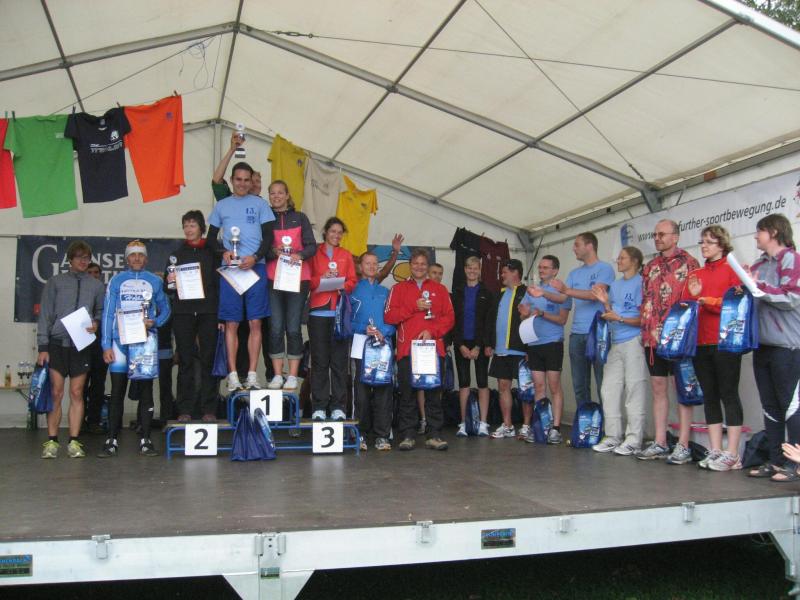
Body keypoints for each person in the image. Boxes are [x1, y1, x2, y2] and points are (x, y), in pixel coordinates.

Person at [207, 161, 276, 392]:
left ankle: (252, 375)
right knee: (232, 323)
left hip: (255, 268)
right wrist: (223, 252)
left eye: (247, 180)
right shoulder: (222, 205)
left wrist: (255, 257)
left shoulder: (260, 204)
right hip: (231, 271)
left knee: (255, 322)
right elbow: (211, 239)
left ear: (251, 181)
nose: (243, 184)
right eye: (238, 179)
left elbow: (269, 237)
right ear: (232, 180)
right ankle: (233, 375)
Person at [99, 240, 171, 457]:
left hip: (144, 344)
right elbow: (108, 314)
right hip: (119, 342)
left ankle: (146, 440)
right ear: (126, 259)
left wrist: (155, 322)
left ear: (146, 259)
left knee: (146, 392)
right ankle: (111, 440)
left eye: (140, 254)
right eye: (133, 255)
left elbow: (166, 309)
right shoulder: (117, 280)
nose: (137, 258)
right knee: (117, 391)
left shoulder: (155, 281)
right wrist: (105, 345)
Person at [637, 219, 700, 460]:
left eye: (662, 234)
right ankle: (660, 441)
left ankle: (683, 444)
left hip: (678, 338)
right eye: (655, 234)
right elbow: (645, 299)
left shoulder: (689, 263)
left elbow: (694, 299)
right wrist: (645, 329)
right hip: (653, 337)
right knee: (658, 387)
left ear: (675, 236)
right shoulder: (650, 266)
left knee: (682, 389)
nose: (657, 238)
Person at [37, 241, 105, 458]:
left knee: (77, 392)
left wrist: (96, 323)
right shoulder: (55, 282)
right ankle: (52, 441)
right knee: (56, 392)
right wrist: (43, 346)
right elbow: (45, 314)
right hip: (57, 344)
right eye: (79, 257)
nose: (83, 262)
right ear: (70, 259)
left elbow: (101, 311)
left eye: (86, 258)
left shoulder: (96, 286)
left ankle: (74, 442)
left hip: (81, 345)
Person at [747, 215, 800, 481]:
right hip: (763, 345)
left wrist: (757, 286)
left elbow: (791, 297)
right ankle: (775, 459)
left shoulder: (791, 259)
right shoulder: (758, 264)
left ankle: (796, 463)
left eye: (760, 231)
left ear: (774, 232)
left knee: (790, 406)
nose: (756, 236)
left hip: (787, 346)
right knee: (770, 406)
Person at [385, 248, 455, 451]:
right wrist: (413, 307)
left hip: (432, 349)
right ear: (410, 265)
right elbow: (389, 316)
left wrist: (432, 331)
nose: (419, 267)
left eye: (423, 264)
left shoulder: (440, 289)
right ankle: (408, 435)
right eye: (415, 263)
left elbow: (449, 317)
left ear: (428, 266)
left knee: (433, 394)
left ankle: (434, 435)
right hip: (407, 349)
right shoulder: (398, 289)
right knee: (407, 394)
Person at [589, 247, 648, 456]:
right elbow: (611, 313)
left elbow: (645, 318)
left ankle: (634, 439)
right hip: (614, 342)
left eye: (622, 258)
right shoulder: (615, 285)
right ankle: (613, 436)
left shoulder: (642, 283)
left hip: (634, 341)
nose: (618, 261)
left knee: (634, 389)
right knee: (609, 389)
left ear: (634, 261)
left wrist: (620, 318)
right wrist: (605, 304)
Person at [550, 233, 615, 409]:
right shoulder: (574, 273)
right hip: (577, 335)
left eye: (577, 245)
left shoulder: (605, 268)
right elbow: (563, 297)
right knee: (579, 386)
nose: (573, 249)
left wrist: (567, 290)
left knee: (603, 383)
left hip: (598, 333)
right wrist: (542, 294)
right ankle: (585, 422)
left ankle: (606, 424)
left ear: (590, 246)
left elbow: (595, 295)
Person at [166, 210, 220, 423]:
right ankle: (184, 409)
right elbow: (169, 289)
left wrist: (222, 315)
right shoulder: (176, 255)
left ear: (201, 228)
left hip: (208, 311)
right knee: (185, 360)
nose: (189, 229)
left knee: (208, 360)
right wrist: (170, 280)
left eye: (192, 225)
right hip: (184, 312)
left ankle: (209, 408)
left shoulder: (212, 252)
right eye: (186, 226)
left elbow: (219, 283)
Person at [262, 180, 316, 391]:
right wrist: (272, 252)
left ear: (287, 195)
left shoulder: (300, 217)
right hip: (273, 278)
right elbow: (261, 249)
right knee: (275, 327)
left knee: (293, 327)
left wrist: (299, 255)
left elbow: (312, 246)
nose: (276, 196)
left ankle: (292, 375)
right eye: (272, 193)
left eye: (280, 193)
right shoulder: (266, 220)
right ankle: (277, 374)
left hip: (298, 278)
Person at [308, 217, 358, 420]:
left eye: (339, 232)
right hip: (318, 312)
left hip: (339, 313)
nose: (336, 235)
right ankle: (319, 406)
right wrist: (323, 279)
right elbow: (308, 281)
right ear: (325, 232)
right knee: (320, 362)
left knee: (339, 362)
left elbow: (353, 281)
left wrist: (341, 285)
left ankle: (338, 406)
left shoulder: (346, 255)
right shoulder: (314, 253)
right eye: (333, 231)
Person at [519, 255, 571, 444]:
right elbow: (523, 314)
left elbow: (562, 320)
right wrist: (524, 313)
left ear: (555, 270)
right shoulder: (532, 290)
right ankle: (540, 425)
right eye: (540, 267)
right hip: (534, 343)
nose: (541, 270)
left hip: (552, 342)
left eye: (546, 267)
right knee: (539, 387)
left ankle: (556, 428)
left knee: (554, 385)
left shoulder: (561, 291)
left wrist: (542, 313)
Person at [350, 251, 396, 450]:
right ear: (360, 267)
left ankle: (382, 435)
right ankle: (359, 434)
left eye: (375, 263)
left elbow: (394, 320)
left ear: (378, 267)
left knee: (383, 390)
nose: (371, 266)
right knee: (360, 392)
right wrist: (364, 328)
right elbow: (346, 322)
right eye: (367, 263)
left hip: (383, 345)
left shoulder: (386, 292)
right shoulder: (352, 291)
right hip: (360, 344)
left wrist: (383, 331)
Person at [451, 256, 494, 437]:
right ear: (465, 269)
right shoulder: (457, 292)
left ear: (480, 269)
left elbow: (488, 321)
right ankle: (463, 423)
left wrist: (479, 345)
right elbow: (453, 320)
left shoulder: (487, 292)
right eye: (469, 267)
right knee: (464, 383)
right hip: (461, 343)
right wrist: (460, 345)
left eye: (475, 268)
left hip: (480, 344)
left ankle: (483, 423)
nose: (472, 271)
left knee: (483, 382)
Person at [486, 259, 528, 439]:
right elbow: (490, 319)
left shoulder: (527, 293)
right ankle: (507, 425)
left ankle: (526, 426)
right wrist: (489, 343)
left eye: (504, 272)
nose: (502, 275)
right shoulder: (499, 294)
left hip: (521, 350)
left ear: (515, 272)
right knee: (503, 386)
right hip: (501, 349)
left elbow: (532, 321)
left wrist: (529, 349)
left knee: (525, 388)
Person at [83, 261, 109, 434]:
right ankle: (79, 420)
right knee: (80, 386)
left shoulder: (106, 295)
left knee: (98, 385)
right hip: (82, 345)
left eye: (96, 273)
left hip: (100, 346)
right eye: (90, 272)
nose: (93, 275)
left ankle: (94, 420)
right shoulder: (80, 295)